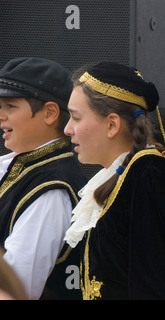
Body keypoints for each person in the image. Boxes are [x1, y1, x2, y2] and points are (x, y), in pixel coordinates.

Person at [63, 62, 165, 300]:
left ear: (112, 125)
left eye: (75, 118)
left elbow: (157, 287)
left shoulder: (149, 174)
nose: (67, 129)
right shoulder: (124, 173)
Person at [0, 57, 87, 300]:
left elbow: (17, 290)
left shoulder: (51, 190)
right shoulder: (16, 166)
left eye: (10, 106)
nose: (0, 115)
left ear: (50, 113)